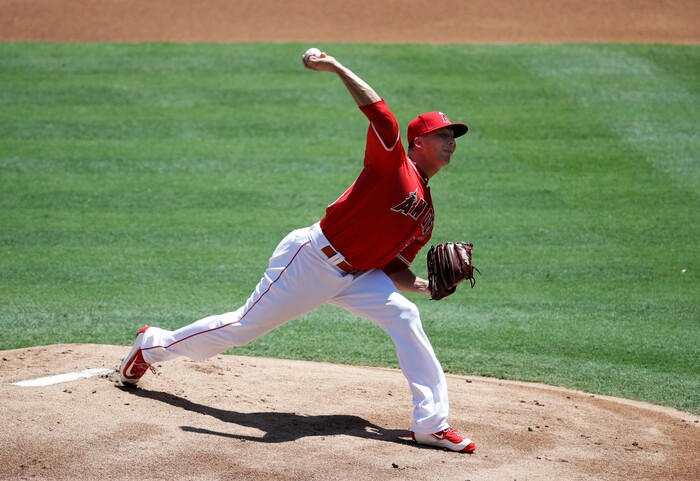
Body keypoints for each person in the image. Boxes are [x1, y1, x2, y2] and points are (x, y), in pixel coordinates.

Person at [119, 50, 475, 453]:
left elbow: (393, 267)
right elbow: (380, 113)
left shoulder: (425, 214)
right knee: (242, 327)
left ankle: (430, 424)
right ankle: (151, 345)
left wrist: (430, 288)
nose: (451, 143)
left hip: (357, 276)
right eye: (444, 136)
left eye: (453, 138)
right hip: (312, 261)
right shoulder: (393, 165)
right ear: (419, 141)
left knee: (405, 315)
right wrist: (337, 67)